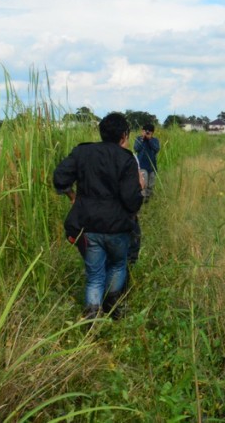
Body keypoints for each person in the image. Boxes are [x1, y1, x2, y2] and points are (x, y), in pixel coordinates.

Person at [54, 112, 143, 320]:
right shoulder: (126, 159)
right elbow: (131, 200)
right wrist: (140, 190)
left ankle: (92, 317)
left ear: (101, 132)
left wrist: (72, 196)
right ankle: (112, 306)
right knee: (118, 265)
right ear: (124, 135)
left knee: (94, 275)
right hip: (117, 227)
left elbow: (60, 176)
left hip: (88, 225)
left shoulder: (82, 152)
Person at [133, 122, 161, 199]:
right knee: (143, 184)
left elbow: (157, 149)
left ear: (152, 132)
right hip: (142, 165)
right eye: (146, 131)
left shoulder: (155, 140)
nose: (147, 133)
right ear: (143, 131)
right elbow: (136, 148)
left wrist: (149, 140)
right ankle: (142, 199)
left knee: (151, 184)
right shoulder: (138, 139)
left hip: (152, 165)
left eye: (149, 131)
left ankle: (148, 199)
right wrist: (142, 138)